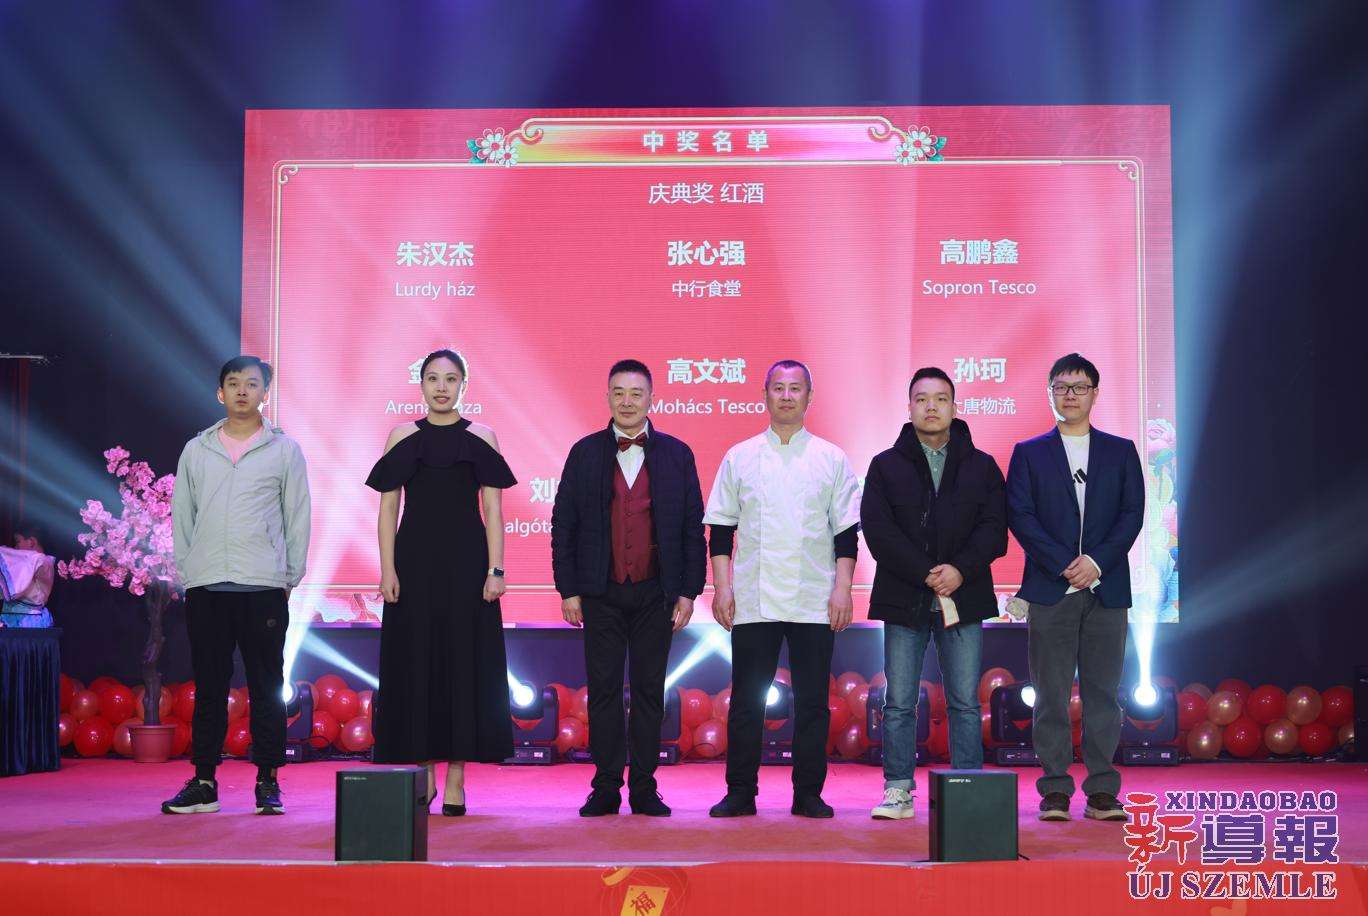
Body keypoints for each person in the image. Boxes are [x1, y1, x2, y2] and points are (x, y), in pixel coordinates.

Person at [704, 360, 861, 819]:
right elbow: (720, 530)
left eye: (795, 389)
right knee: (747, 700)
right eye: (778, 388)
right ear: (765, 395)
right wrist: (722, 588)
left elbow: (846, 534)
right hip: (754, 597)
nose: (787, 396)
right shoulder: (740, 456)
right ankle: (740, 792)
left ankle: (808, 793)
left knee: (812, 703)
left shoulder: (831, 458)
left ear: (809, 397)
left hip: (814, 597)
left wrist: (843, 589)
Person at [551, 359, 706, 817]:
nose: (627, 401)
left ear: (652, 398)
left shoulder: (677, 454)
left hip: (656, 593)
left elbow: (692, 529)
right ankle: (604, 787)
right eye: (618, 392)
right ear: (607, 397)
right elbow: (564, 524)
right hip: (600, 592)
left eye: (636, 393)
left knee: (648, 692)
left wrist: (689, 592)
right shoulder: (584, 453)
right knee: (602, 692)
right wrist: (568, 590)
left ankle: (643, 787)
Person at [365, 349, 517, 816]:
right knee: (417, 664)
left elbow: (493, 510)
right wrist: (387, 569)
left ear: (463, 385)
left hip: (468, 567)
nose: (441, 387)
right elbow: (388, 509)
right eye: (432, 378)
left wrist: (496, 570)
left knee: (463, 665)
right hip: (413, 566)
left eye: (450, 379)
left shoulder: (482, 437)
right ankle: (425, 773)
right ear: (421, 385)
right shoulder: (402, 437)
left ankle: (456, 778)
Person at [164, 355, 311, 815]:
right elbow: (182, 515)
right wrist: (190, 571)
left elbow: (297, 515)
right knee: (210, 686)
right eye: (233, 383)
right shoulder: (197, 449)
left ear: (265, 393)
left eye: (252, 384)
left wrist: (289, 575)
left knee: (267, 686)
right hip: (208, 586)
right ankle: (204, 781)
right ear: (220, 393)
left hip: (262, 585)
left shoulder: (284, 450)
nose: (242, 391)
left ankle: (267, 781)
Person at [861, 367, 1007, 820]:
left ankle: (968, 792)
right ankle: (898, 790)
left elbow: (994, 529)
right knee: (899, 701)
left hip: (964, 596)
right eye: (922, 399)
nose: (931, 407)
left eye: (940, 399)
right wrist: (927, 573)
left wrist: (959, 571)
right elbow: (878, 531)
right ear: (908, 407)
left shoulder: (982, 466)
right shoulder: (886, 465)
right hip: (904, 596)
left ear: (954, 407)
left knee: (965, 701)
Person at [1006, 353, 1143, 822]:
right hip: (1051, 588)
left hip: (1107, 588)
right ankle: (1055, 790)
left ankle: (1102, 790)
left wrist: (1096, 562)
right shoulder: (1029, 452)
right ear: (1050, 393)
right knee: (1050, 694)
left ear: (1095, 394)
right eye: (1062, 387)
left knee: (1104, 692)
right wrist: (1065, 564)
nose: (1070, 395)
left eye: (1080, 387)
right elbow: (1020, 515)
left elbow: (1132, 514)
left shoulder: (1121, 451)